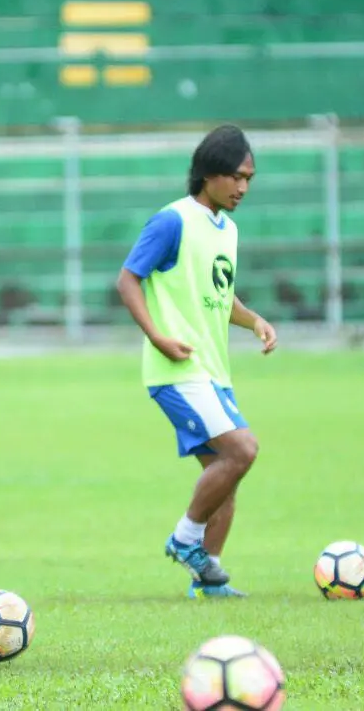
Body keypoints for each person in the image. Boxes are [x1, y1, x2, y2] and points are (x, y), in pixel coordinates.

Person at [115, 124, 278, 600]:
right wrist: (158, 337)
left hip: (213, 372)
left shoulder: (227, 229)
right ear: (209, 173)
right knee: (242, 451)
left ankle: (209, 579)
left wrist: (255, 322)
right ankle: (185, 539)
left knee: (226, 476)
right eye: (236, 176)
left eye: (250, 178)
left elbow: (220, 297)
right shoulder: (173, 221)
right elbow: (128, 280)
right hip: (177, 370)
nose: (243, 187)